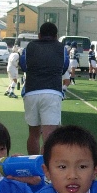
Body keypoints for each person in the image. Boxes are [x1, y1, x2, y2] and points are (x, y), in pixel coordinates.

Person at [19, 22, 67, 156]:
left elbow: (23, 66)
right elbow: (64, 68)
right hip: (52, 92)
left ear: (39, 35)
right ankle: (44, 166)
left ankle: (32, 162)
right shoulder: (61, 48)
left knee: (33, 134)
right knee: (49, 136)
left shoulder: (30, 47)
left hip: (31, 91)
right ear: (56, 36)